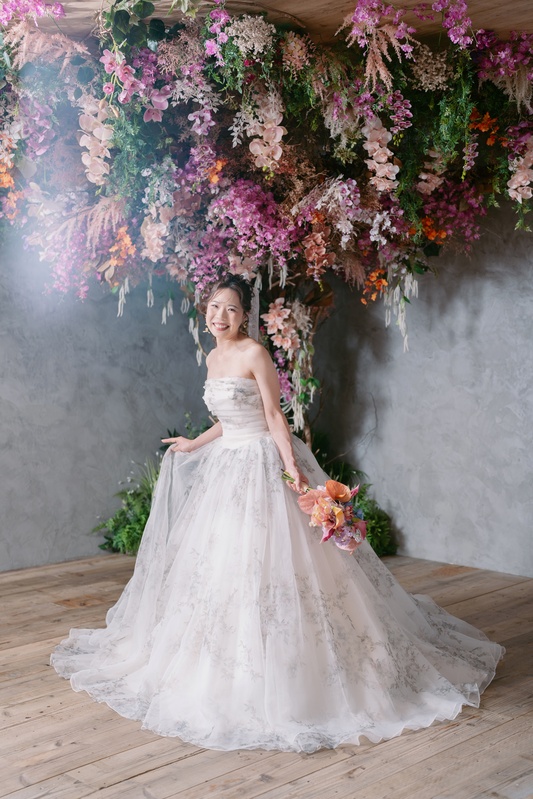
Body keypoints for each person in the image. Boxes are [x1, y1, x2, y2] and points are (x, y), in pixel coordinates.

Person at [51, 274, 504, 753]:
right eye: (214, 307)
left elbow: (272, 416)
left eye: (230, 308)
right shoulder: (213, 357)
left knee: (276, 559)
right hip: (226, 466)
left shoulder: (255, 354)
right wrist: (194, 443)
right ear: (205, 311)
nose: (220, 316)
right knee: (223, 562)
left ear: (244, 314)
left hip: (262, 462)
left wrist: (292, 470)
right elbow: (227, 420)